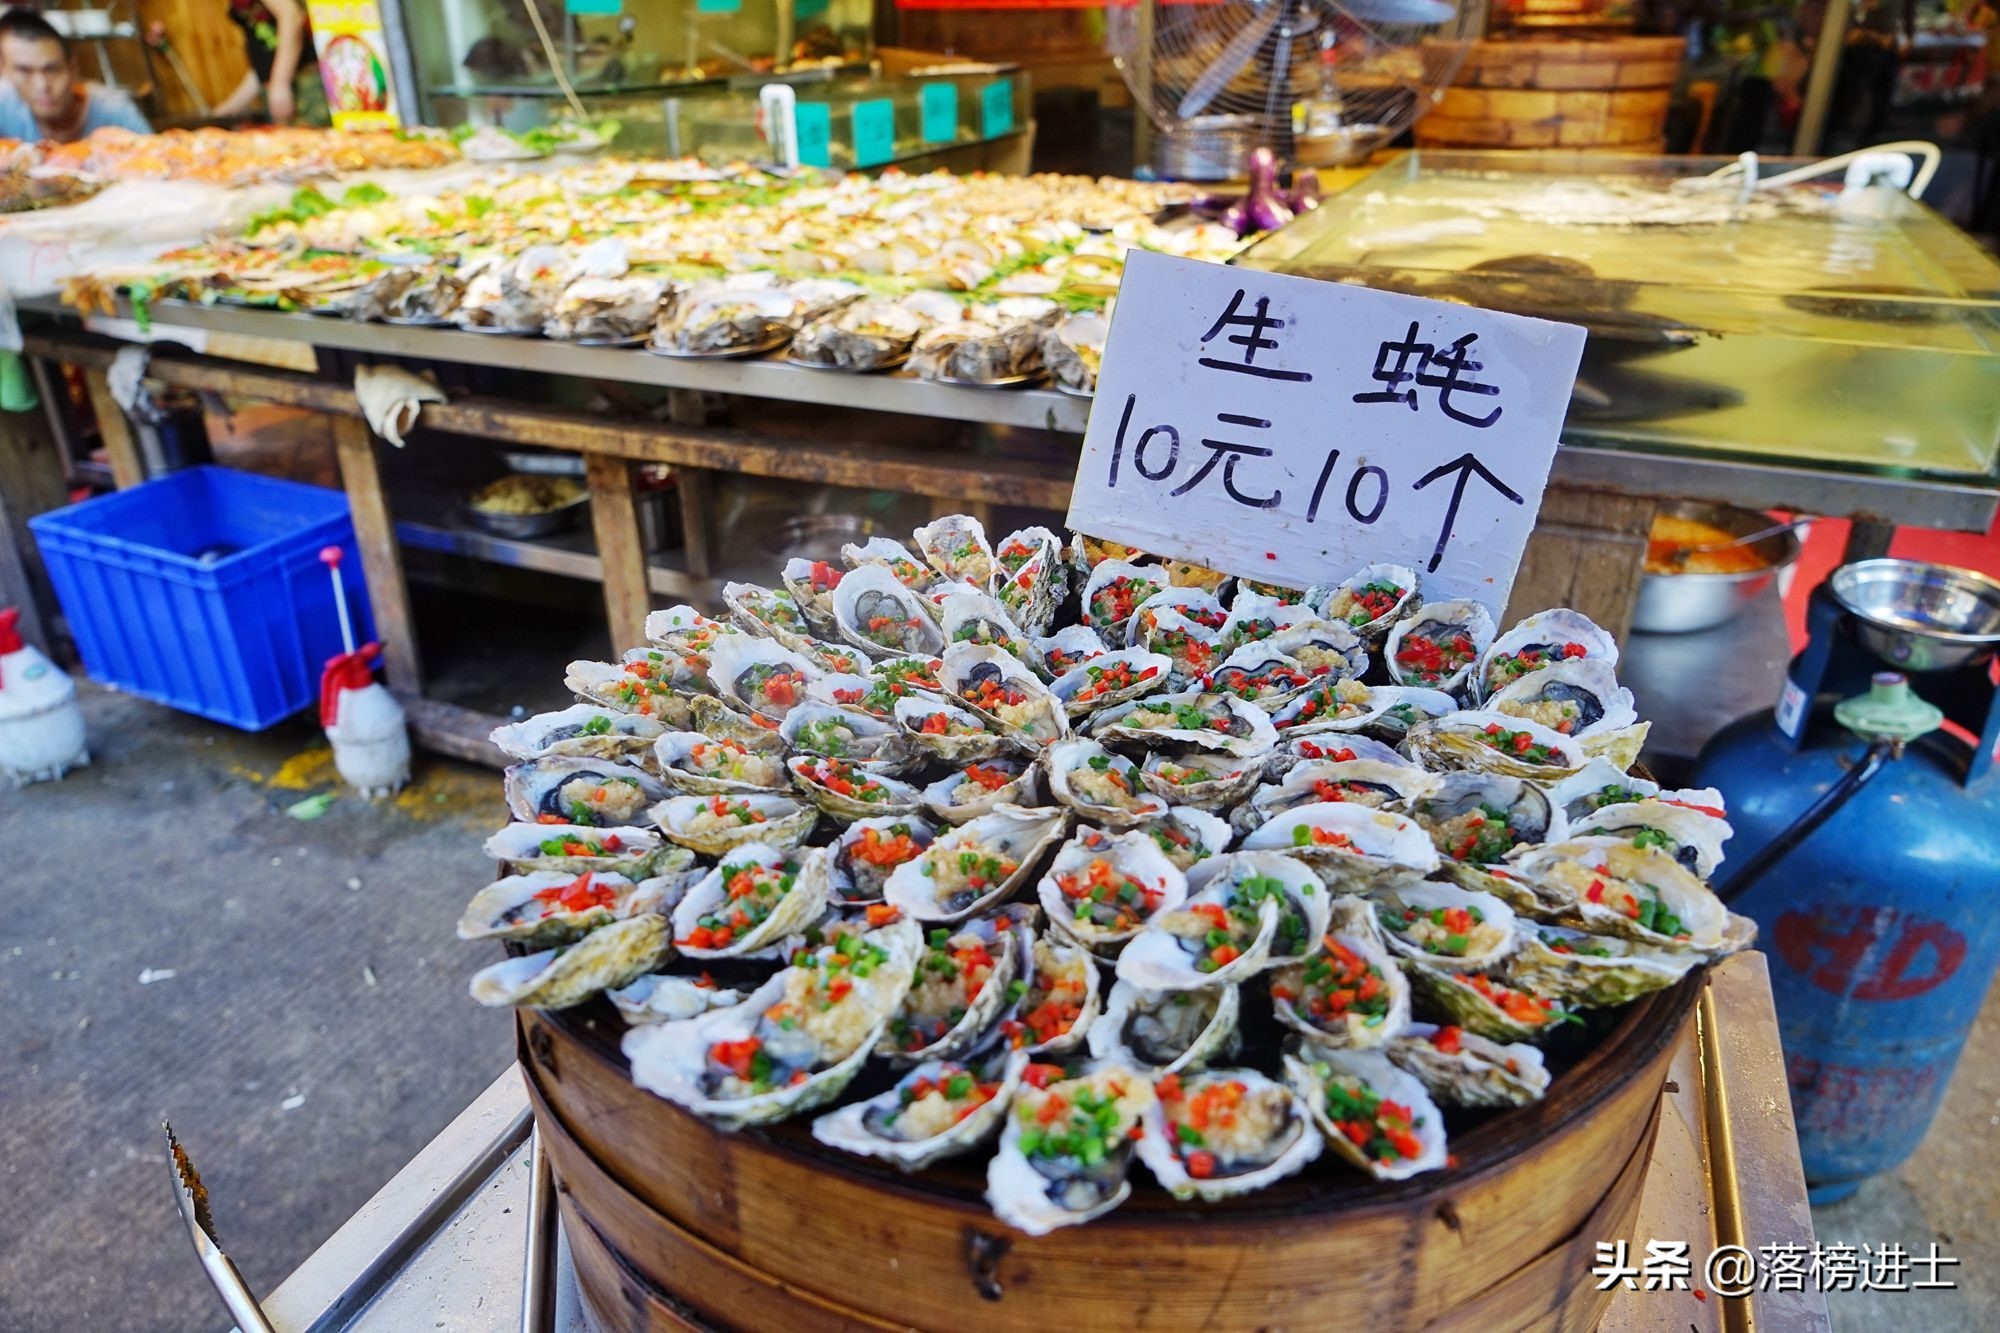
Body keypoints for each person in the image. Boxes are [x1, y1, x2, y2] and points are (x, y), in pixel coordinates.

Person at [0, 9, 151, 143]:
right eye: (24, 71)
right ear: (4, 70)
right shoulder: (4, 104)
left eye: (52, 70)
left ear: (73, 68)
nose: (42, 86)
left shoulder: (116, 111)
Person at [214, 0, 326, 126]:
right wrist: (228, 109)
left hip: (305, 90)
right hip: (283, 92)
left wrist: (280, 82)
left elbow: (291, 16)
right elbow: (263, 66)